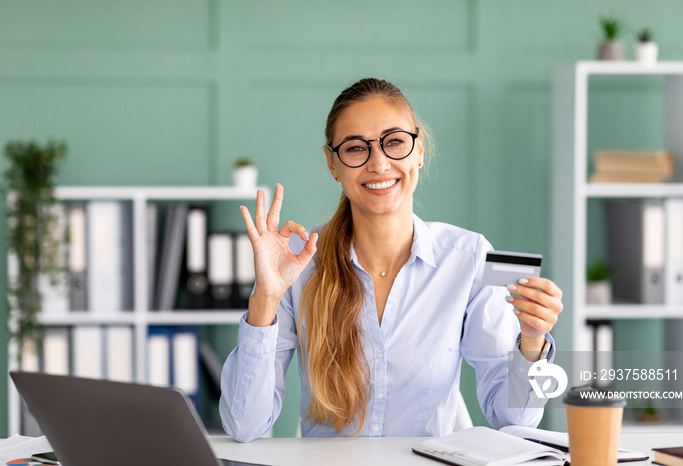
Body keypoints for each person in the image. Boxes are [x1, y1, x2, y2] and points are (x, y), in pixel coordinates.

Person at [219, 78, 564, 442]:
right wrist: (265, 299)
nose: (379, 163)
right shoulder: (301, 264)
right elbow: (244, 427)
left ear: (419, 150)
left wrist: (532, 342)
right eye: (355, 148)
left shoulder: (474, 257)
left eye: (394, 142)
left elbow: (516, 423)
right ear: (332, 164)